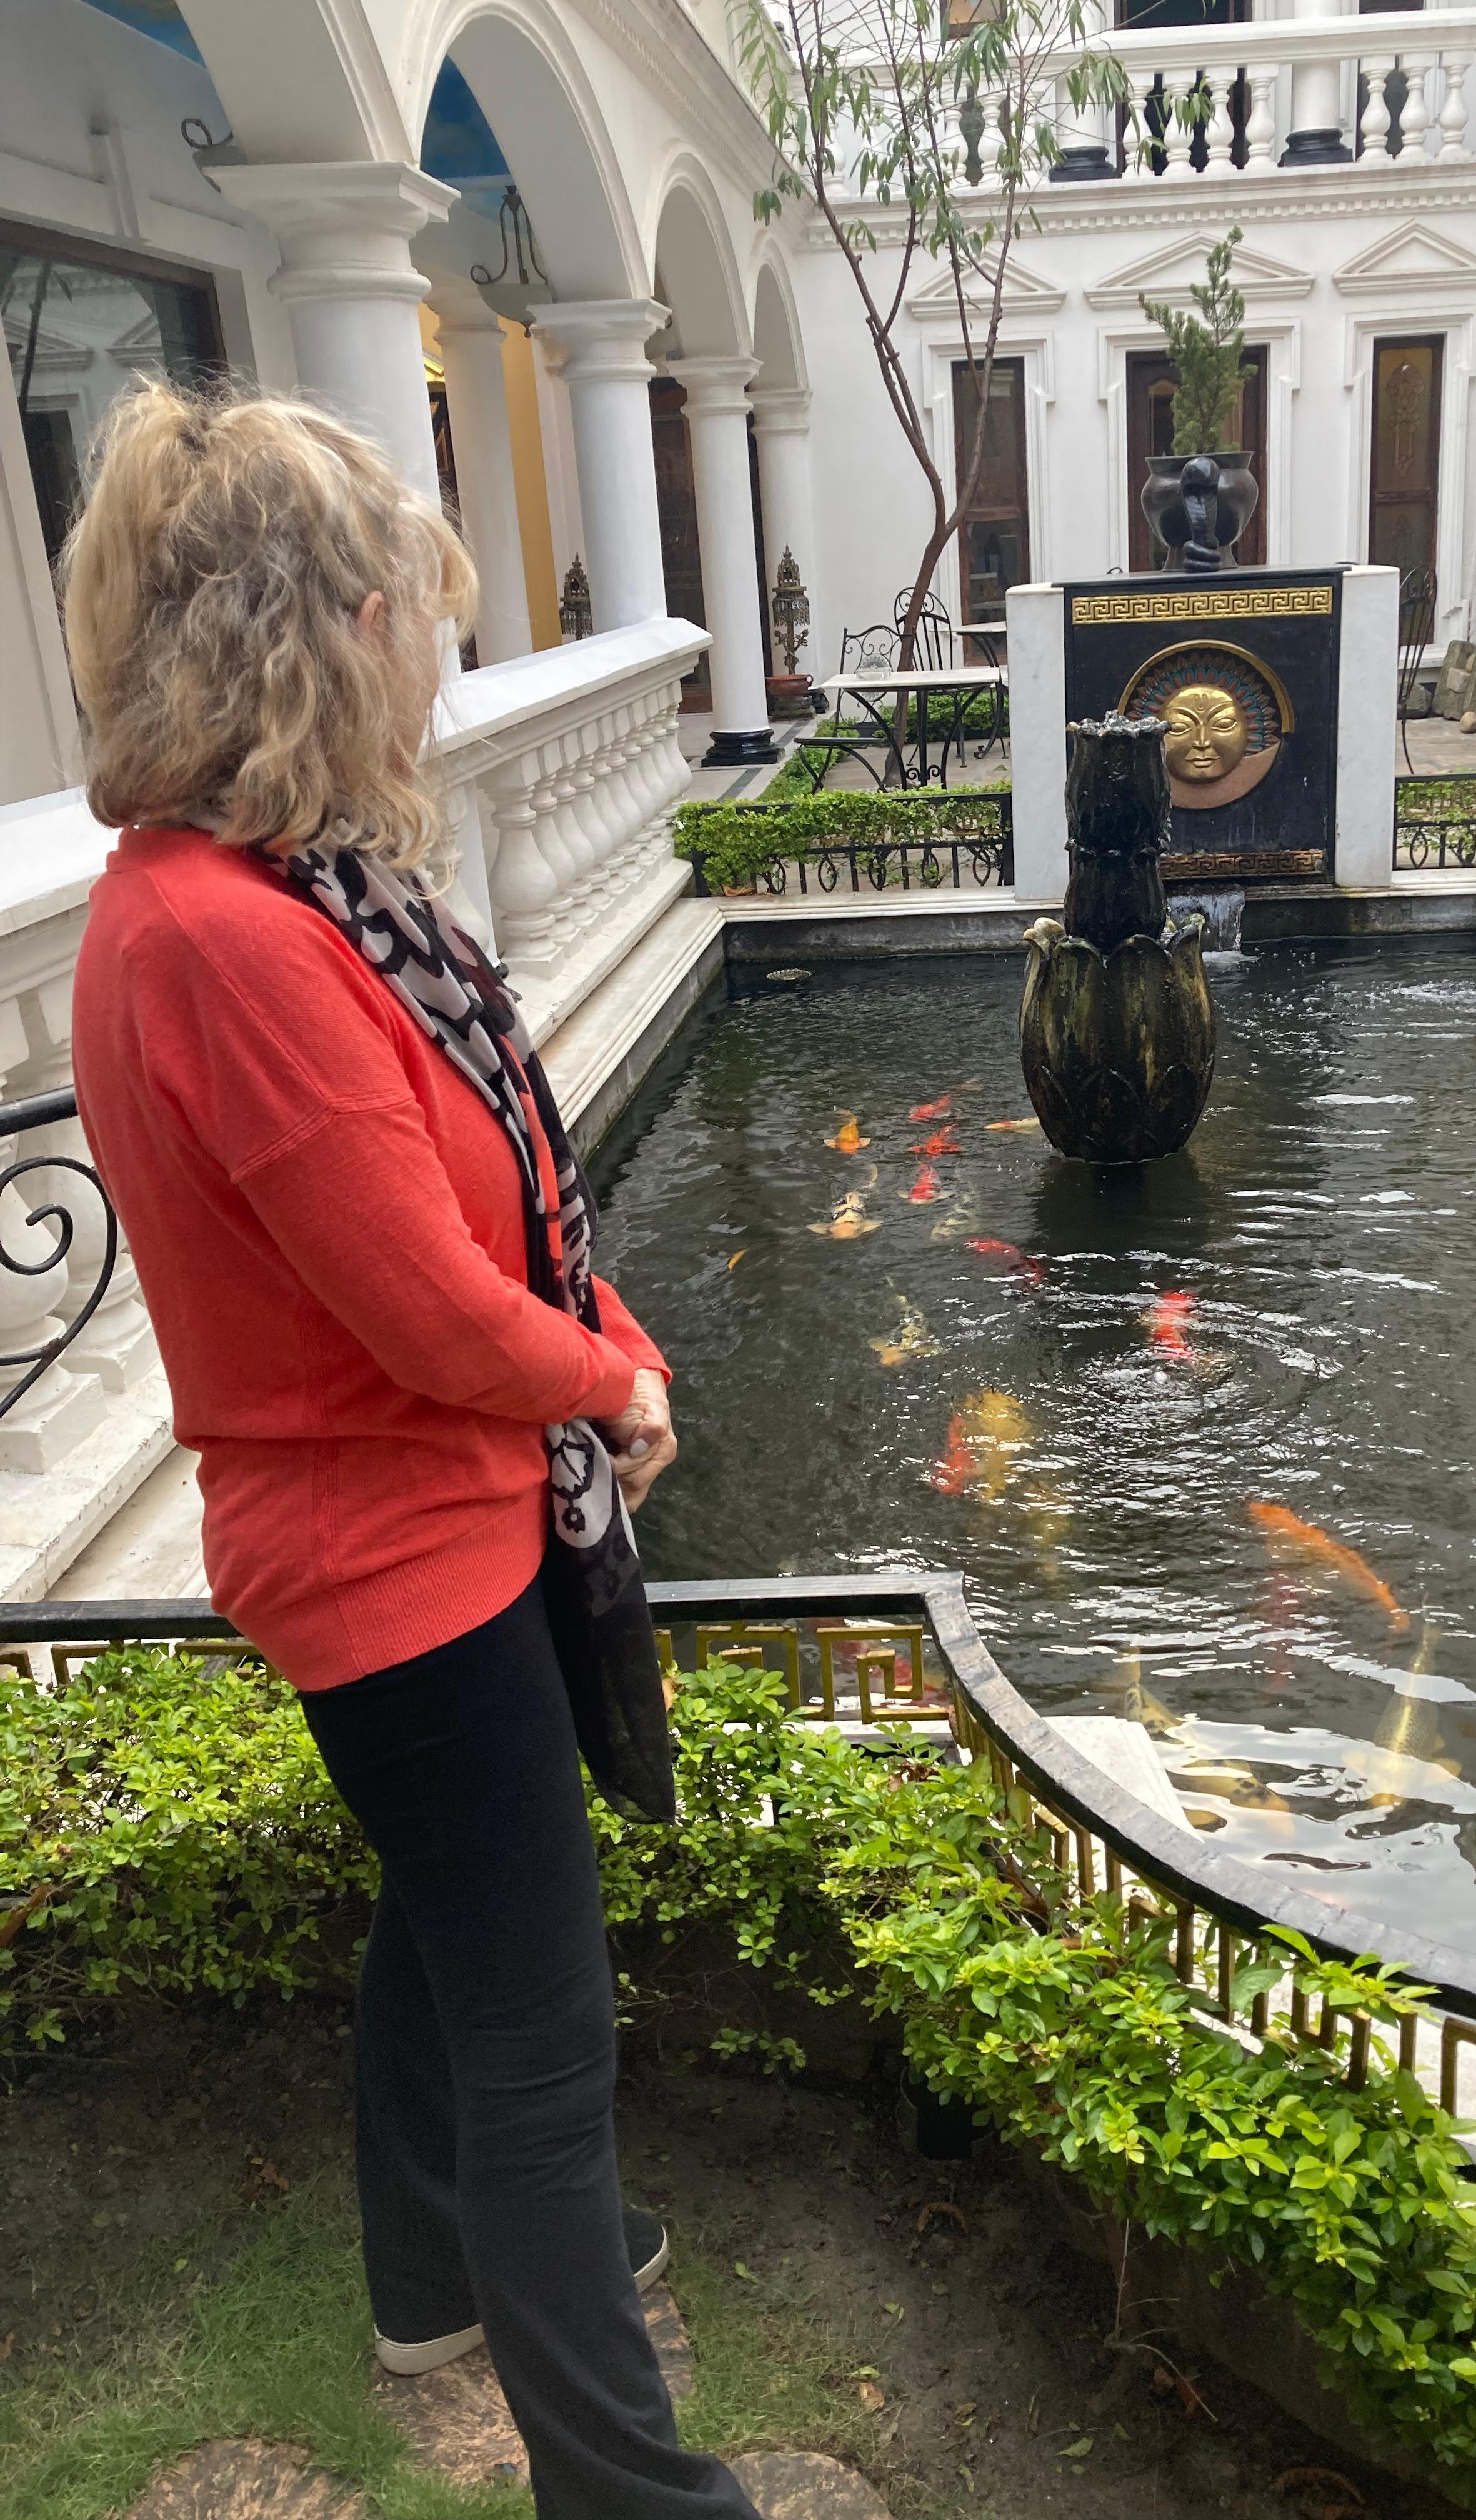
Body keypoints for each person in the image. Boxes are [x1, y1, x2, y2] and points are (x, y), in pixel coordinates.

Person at [61, 381, 761, 2520]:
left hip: (439, 1516)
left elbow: (510, 1206)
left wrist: (607, 1334)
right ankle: (633, 2495)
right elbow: (428, 1310)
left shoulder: (293, 896)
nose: (435, 657)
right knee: (547, 2056)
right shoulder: (220, 938)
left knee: (441, 1930)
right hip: (392, 1554)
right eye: (411, 611)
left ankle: (423, 2288)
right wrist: (605, 1387)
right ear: (322, 630)